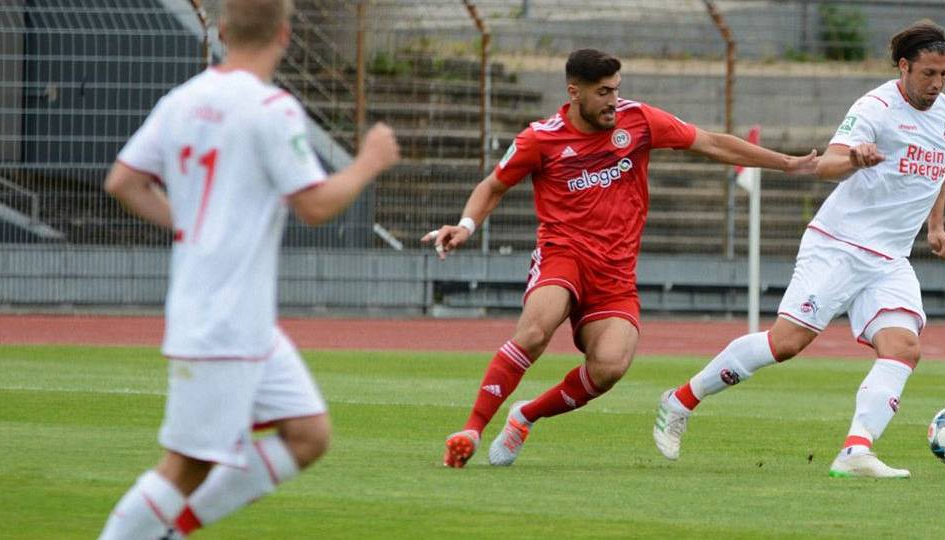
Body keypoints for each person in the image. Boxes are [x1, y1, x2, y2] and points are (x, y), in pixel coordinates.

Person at [426, 48, 818, 468]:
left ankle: (526, 415)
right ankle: (471, 428)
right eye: (603, 92)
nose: (614, 100)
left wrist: (785, 163)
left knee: (610, 366)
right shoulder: (541, 138)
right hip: (564, 255)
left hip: (615, 272)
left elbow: (710, 142)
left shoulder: (639, 120)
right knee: (537, 330)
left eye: (616, 89)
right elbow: (493, 186)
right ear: (574, 92)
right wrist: (464, 226)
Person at [97, 0, 400, 537]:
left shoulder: (182, 100)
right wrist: (369, 162)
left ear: (220, 28)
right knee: (185, 466)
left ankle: (173, 529)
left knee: (309, 434)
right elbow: (315, 205)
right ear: (284, 35)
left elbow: (123, 181)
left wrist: (191, 224)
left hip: (244, 320)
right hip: (224, 321)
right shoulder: (270, 108)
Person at [652, 21, 945, 479]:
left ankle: (856, 451)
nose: (937, 85)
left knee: (903, 347)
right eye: (928, 74)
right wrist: (855, 158)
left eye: (944, 74)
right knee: (786, 343)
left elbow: (941, 165)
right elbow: (827, 165)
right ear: (904, 66)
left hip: (890, 259)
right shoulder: (875, 107)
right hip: (839, 246)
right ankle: (680, 400)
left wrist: (936, 226)